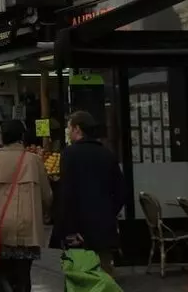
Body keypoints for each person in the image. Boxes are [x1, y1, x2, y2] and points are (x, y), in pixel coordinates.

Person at [0, 119, 52, 292]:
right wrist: (45, 213)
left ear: (3, 137)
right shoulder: (34, 160)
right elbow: (47, 195)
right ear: (22, 137)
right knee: (23, 272)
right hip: (28, 227)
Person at [52, 111, 125, 276]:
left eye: (69, 127)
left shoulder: (69, 155)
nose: (68, 131)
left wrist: (66, 227)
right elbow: (121, 192)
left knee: (81, 276)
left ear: (77, 129)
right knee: (104, 273)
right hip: (104, 227)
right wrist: (108, 212)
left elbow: (66, 193)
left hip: (78, 230)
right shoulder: (107, 154)